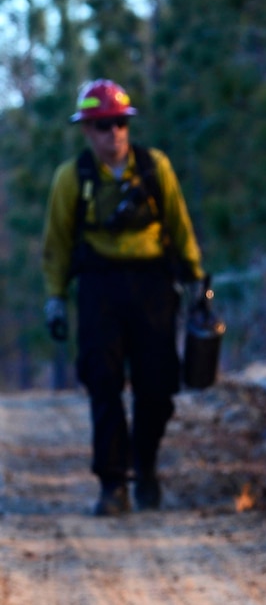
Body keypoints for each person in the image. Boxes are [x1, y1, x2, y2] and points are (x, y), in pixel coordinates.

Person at [42, 79, 206, 516]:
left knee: (157, 387)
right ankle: (113, 484)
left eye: (118, 123)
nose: (111, 134)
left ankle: (145, 465)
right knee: (104, 384)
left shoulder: (156, 168)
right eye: (100, 126)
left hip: (153, 285)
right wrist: (55, 298)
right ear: (86, 132)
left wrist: (196, 281)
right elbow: (56, 244)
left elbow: (180, 224)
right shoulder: (71, 179)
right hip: (99, 289)